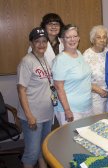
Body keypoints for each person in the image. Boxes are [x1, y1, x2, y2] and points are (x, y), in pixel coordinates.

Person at [17, 27, 54, 168]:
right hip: (33, 115)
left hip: (46, 114)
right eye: (37, 41)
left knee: (42, 149)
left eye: (44, 41)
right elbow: (21, 90)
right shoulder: (27, 62)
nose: (41, 44)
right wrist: (29, 115)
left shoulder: (44, 59)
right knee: (31, 153)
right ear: (31, 43)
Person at [52, 24, 92, 125]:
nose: (72, 40)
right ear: (62, 40)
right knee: (72, 139)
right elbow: (58, 87)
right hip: (71, 110)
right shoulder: (60, 60)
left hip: (86, 107)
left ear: (79, 38)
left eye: (74, 36)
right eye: (68, 37)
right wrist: (67, 110)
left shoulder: (79, 54)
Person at [83, 25, 108, 115]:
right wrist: (100, 91)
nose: (102, 40)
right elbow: (83, 80)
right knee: (98, 122)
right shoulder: (86, 55)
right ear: (93, 39)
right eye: (98, 37)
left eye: (104, 37)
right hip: (95, 96)